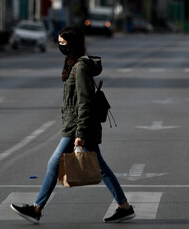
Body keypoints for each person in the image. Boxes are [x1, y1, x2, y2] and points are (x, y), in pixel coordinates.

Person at [10, 25, 135, 224]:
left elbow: (85, 102)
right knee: (100, 167)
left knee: (54, 163)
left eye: (63, 43)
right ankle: (124, 206)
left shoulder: (81, 68)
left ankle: (36, 209)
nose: (60, 47)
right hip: (77, 125)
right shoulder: (75, 64)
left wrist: (81, 133)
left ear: (73, 44)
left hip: (79, 127)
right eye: (58, 43)